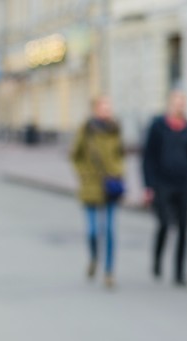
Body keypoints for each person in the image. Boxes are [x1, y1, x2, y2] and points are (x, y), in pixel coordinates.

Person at [142, 90, 187, 287]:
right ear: (169, 104)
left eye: (183, 102)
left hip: (183, 185)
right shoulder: (158, 126)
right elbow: (148, 157)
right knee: (165, 224)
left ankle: (179, 273)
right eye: (176, 102)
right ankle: (157, 261)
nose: (180, 106)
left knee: (185, 229)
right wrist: (148, 185)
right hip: (162, 184)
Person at [70, 95, 125, 288]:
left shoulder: (115, 128)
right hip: (91, 185)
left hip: (111, 184)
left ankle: (109, 271)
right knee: (93, 231)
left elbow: (120, 154)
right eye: (103, 106)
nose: (107, 110)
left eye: (109, 106)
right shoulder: (86, 129)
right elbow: (75, 155)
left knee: (109, 230)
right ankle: (94, 257)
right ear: (95, 109)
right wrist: (84, 174)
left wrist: (119, 171)